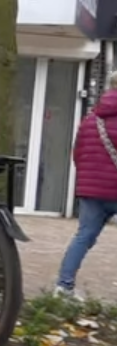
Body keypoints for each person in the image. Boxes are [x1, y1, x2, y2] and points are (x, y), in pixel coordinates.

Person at [56, 72, 117, 298]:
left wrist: (89, 179)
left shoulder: (92, 118)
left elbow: (78, 154)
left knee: (83, 237)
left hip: (91, 191)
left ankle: (63, 286)